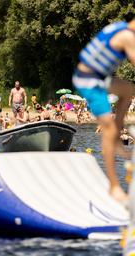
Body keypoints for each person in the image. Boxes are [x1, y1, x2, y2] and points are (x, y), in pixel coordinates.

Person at [72, 20, 135, 202]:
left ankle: (118, 128)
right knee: (108, 130)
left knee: (129, 90)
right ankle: (114, 186)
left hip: (99, 78)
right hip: (88, 81)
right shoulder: (127, 37)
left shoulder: (120, 26)